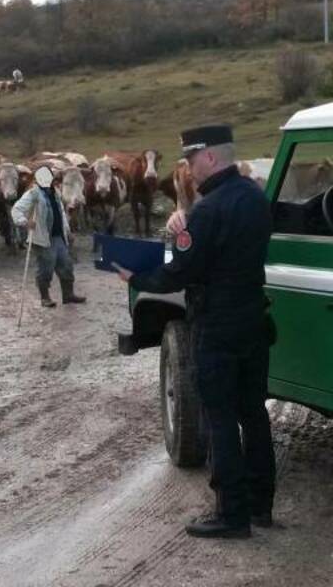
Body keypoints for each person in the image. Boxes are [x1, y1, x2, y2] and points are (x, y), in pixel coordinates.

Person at [116, 125, 276, 539]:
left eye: (190, 161)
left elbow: (180, 271)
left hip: (218, 325)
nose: (187, 170)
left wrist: (138, 277)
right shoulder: (257, 198)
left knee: (219, 418)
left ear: (210, 158)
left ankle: (231, 514)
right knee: (254, 414)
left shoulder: (207, 210)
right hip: (254, 320)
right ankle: (261, 505)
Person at [12, 166, 85, 308]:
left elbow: (61, 213)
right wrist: (25, 222)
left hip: (59, 237)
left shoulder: (56, 193)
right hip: (43, 239)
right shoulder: (33, 194)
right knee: (46, 268)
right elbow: (16, 209)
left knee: (66, 265)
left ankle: (68, 295)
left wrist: (67, 230)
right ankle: (45, 298)